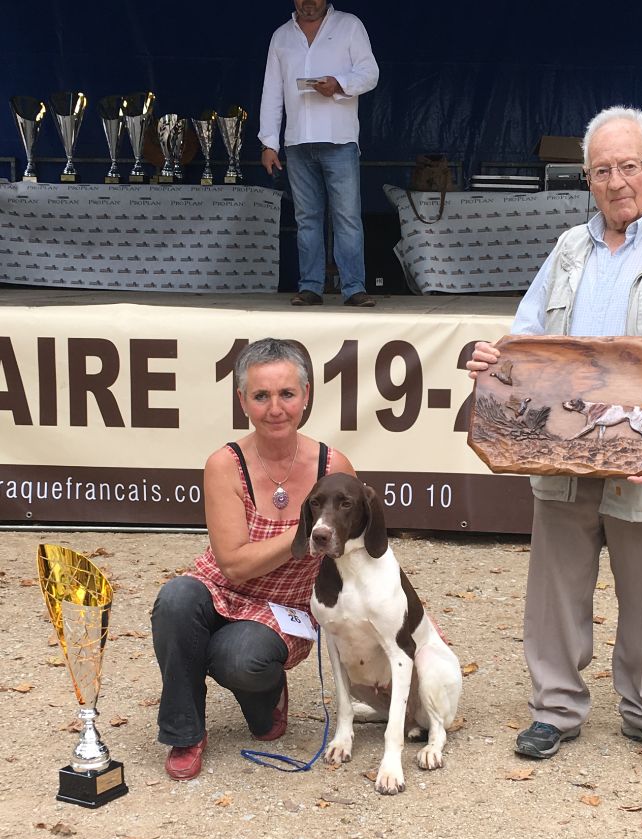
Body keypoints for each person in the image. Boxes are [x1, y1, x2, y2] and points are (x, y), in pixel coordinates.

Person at [468, 105, 642, 764]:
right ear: (587, 179)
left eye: (628, 166)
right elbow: (529, 339)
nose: (616, 182)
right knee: (556, 590)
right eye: (601, 170)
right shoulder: (569, 248)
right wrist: (494, 358)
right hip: (564, 451)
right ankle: (555, 708)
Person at [151, 338, 355, 780]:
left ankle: (266, 693)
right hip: (222, 587)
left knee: (239, 658)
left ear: (306, 395)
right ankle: (184, 733)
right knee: (176, 600)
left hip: (286, 609)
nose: (275, 408)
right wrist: (304, 529)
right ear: (242, 399)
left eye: (286, 393)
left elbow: (354, 551)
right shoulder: (225, 463)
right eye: (261, 395)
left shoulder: (332, 465)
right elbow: (235, 565)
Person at [258, 1, 379, 308]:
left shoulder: (349, 25)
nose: (308, 3)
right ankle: (310, 286)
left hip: (339, 138)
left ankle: (353, 287)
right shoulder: (281, 36)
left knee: (347, 217)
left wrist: (340, 84)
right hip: (297, 141)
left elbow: (370, 72)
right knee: (307, 218)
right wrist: (269, 142)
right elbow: (272, 89)